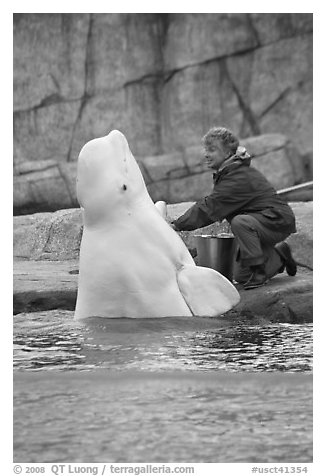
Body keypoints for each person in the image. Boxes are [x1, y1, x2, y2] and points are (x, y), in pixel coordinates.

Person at [171, 126, 297, 290]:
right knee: (241, 276)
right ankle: (280, 255)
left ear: (228, 154)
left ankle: (259, 272)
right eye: (206, 149)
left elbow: (210, 207)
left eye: (212, 150)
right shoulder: (228, 172)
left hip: (276, 220)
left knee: (240, 222)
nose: (206, 154)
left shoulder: (238, 176)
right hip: (262, 223)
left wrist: (177, 225)